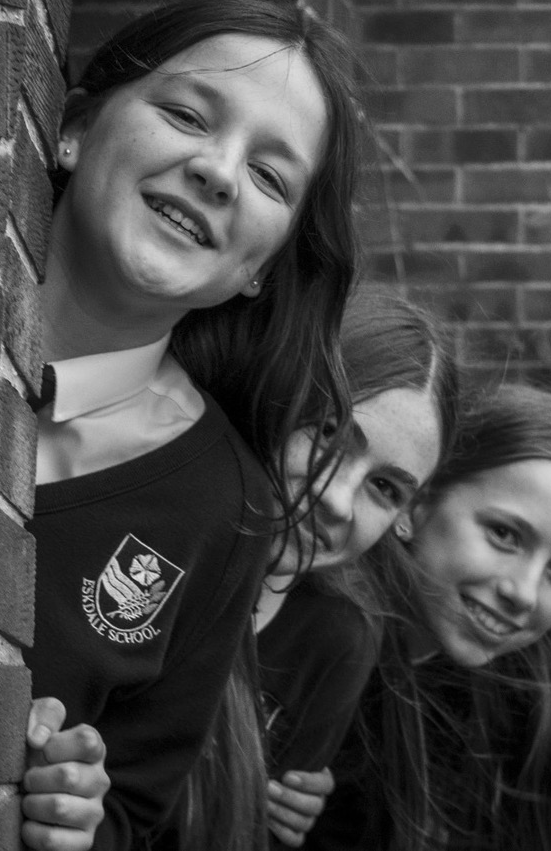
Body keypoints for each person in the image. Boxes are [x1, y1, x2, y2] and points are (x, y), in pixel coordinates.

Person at [15, 0, 372, 851]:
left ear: (261, 265)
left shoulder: (226, 506)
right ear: (74, 129)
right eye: (185, 114)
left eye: (269, 175)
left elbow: (136, 815)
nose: (218, 170)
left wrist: (73, 816)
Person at [154, 294, 460, 851]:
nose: (340, 502)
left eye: (385, 488)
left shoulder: (337, 638)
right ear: (276, 393)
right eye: (327, 434)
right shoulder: (145, 548)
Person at [306, 383, 551, 851]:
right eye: (504, 534)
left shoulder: (526, 719)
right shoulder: (305, 649)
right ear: (417, 503)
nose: (523, 592)